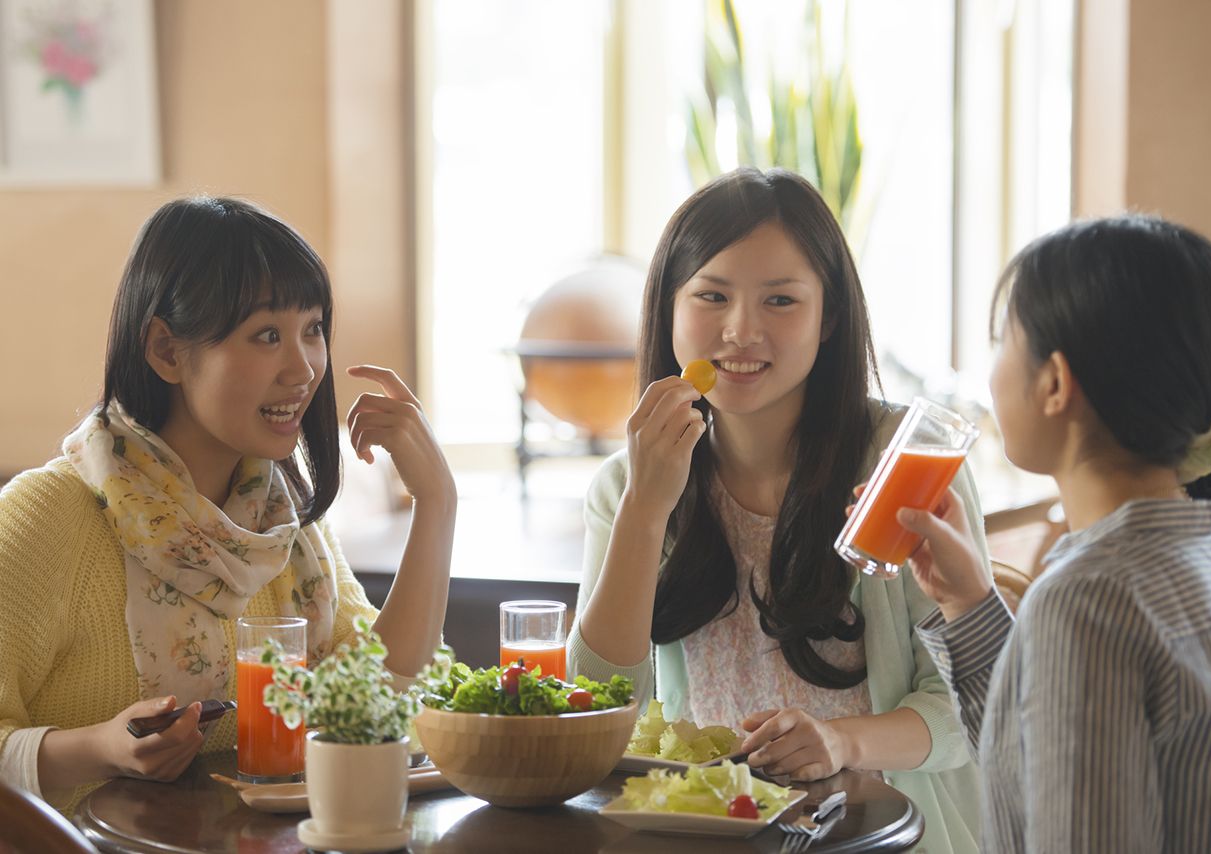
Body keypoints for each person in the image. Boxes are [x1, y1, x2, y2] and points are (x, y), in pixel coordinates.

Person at [569, 167, 985, 853]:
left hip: (891, 834)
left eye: (781, 301)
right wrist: (647, 509)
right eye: (711, 295)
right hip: (708, 833)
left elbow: (965, 703)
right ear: (668, 311)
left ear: (830, 320)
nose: (740, 331)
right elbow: (596, 705)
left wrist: (837, 742)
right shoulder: (627, 483)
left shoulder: (903, 462)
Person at [0, 196, 456, 809]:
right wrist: (99, 749)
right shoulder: (47, 518)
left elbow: (380, 692)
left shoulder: (279, 521)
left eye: (313, 329)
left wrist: (438, 504)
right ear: (165, 350)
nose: (304, 368)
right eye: (267, 335)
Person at [899, 215, 1211, 852]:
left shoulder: (1088, 601)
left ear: (1053, 383)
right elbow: (1045, 757)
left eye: (1001, 341)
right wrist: (968, 605)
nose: (990, 374)